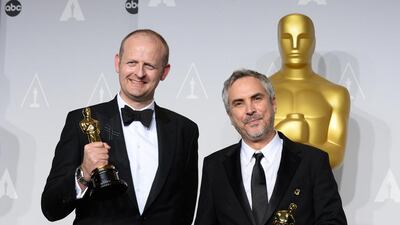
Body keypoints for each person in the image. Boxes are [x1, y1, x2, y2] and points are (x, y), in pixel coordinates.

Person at [41, 29, 199, 225]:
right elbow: (50, 208)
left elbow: (186, 208)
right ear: (118, 63)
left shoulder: (185, 130)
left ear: (164, 72)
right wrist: (83, 174)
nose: (139, 73)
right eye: (132, 62)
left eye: (149, 65)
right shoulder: (81, 121)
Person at [194, 69, 347, 225]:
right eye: (239, 103)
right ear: (230, 115)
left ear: (273, 103)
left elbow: (333, 221)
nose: (250, 110)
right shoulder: (214, 166)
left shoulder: (313, 161)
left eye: (257, 98)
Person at [269, 13, 350, 168]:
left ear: (314, 42)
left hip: (315, 189)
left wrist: (298, 146)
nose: (294, 46)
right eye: (287, 38)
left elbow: (336, 154)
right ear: (278, 42)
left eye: (303, 38)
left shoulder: (335, 94)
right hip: (266, 190)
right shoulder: (258, 93)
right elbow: (248, 150)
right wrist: (283, 133)